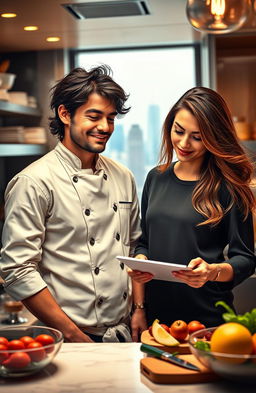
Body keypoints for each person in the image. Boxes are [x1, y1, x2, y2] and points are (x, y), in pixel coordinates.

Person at [0, 65, 141, 342]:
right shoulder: (34, 181)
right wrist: (75, 335)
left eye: (111, 118)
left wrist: (139, 309)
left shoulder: (123, 175)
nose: (105, 127)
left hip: (124, 333)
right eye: (94, 116)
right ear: (65, 114)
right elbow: (17, 270)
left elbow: (135, 248)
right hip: (67, 339)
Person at [129, 86, 256, 331]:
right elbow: (145, 241)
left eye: (197, 137)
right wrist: (141, 266)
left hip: (207, 318)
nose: (184, 143)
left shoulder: (228, 186)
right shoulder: (156, 177)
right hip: (156, 317)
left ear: (214, 137)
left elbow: (246, 259)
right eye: (179, 131)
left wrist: (212, 271)